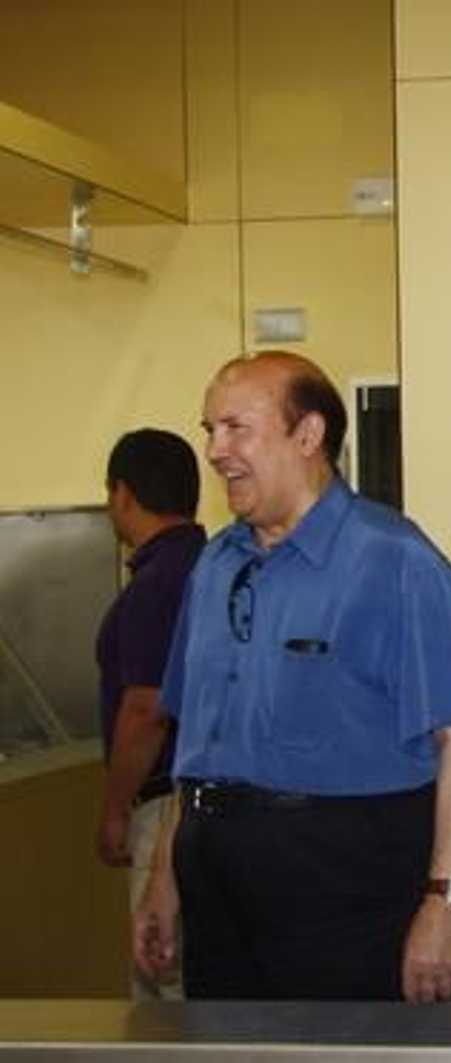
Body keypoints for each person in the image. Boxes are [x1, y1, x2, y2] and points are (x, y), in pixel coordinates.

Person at [131, 350, 451, 1003]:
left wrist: (449, 902)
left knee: (348, 1046)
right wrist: (166, 875)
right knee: (226, 1047)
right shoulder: (215, 565)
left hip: (345, 882)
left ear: (308, 434)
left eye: (236, 428)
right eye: (210, 429)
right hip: (215, 880)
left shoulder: (397, 562)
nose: (214, 451)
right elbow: (197, 742)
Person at [95, 428, 205, 1000]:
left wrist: (115, 809)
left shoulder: (156, 584)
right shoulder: (214, 565)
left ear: (123, 493)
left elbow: (146, 710)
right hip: (211, 806)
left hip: (165, 802)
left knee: (161, 981)